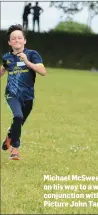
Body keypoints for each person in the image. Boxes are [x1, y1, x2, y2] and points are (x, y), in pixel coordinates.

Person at [1, 24, 47, 160]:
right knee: (18, 116)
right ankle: (15, 149)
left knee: (18, 123)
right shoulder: (7, 58)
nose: (17, 40)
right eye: (13, 38)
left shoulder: (32, 54)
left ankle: (9, 135)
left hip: (27, 97)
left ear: (24, 40)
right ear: (9, 42)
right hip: (12, 94)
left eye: (19, 38)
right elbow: (3, 69)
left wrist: (27, 62)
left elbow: (43, 71)